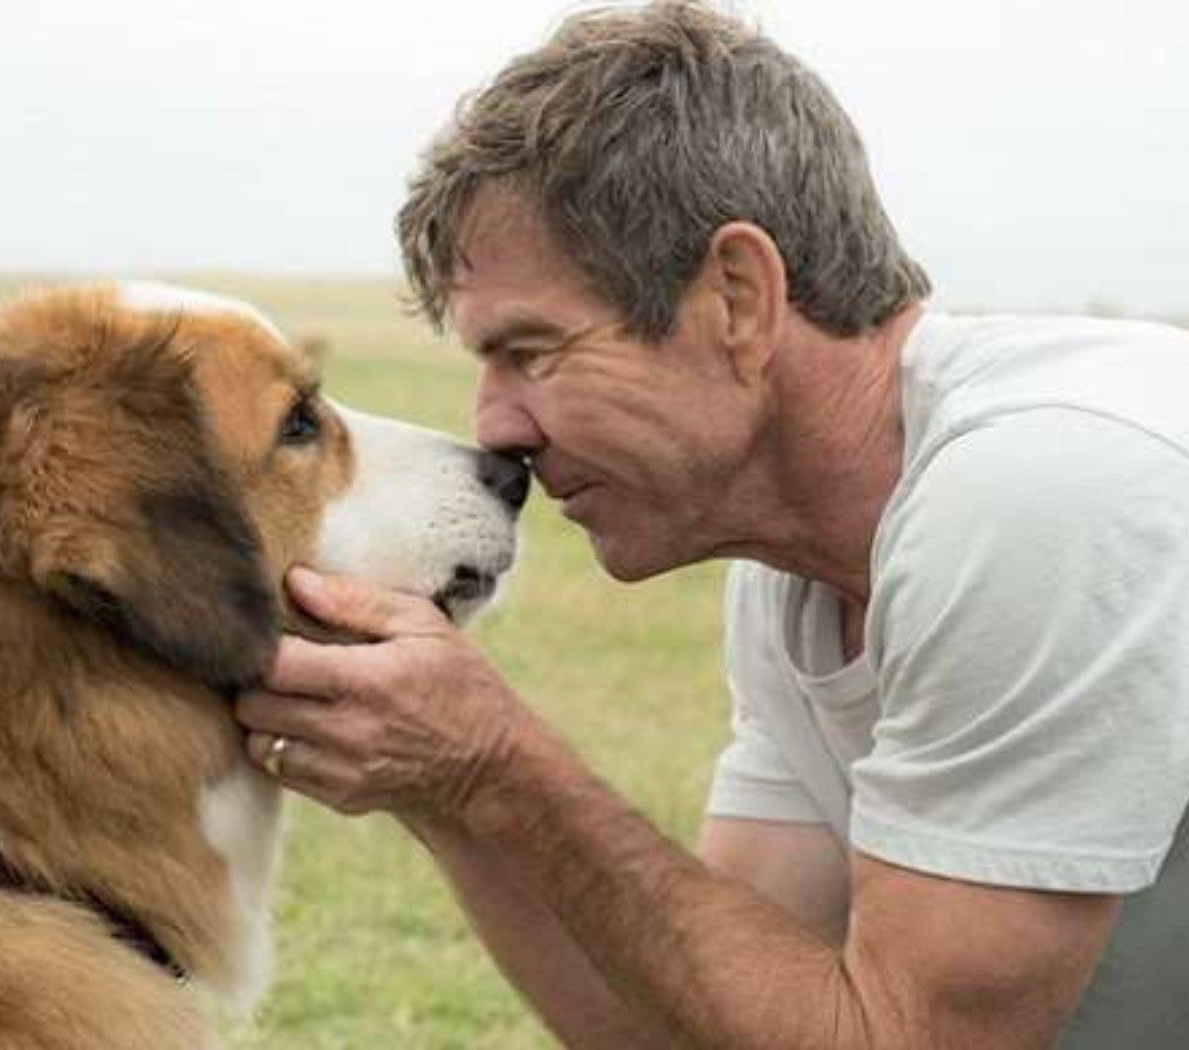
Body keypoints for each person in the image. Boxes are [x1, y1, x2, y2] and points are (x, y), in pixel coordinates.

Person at [235, 2, 1189, 1045]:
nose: (496, 429)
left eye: (533, 353)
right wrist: (443, 792)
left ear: (735, 298)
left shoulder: (1039, 488)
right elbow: (693, 1026)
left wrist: (493, 766)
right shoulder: (795, 583)